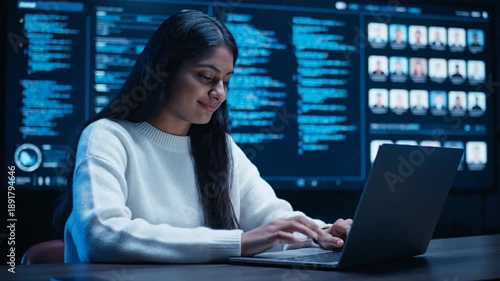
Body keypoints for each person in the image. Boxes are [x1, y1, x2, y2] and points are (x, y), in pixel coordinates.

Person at [52, 10, 352, 264]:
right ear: (163, 71)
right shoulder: (108, 136)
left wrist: (324, 234)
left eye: (226, 81)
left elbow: (273, 221)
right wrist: (239, 243)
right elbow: (101, 235)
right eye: (206, 77)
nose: (219, 93)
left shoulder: (221, 147)